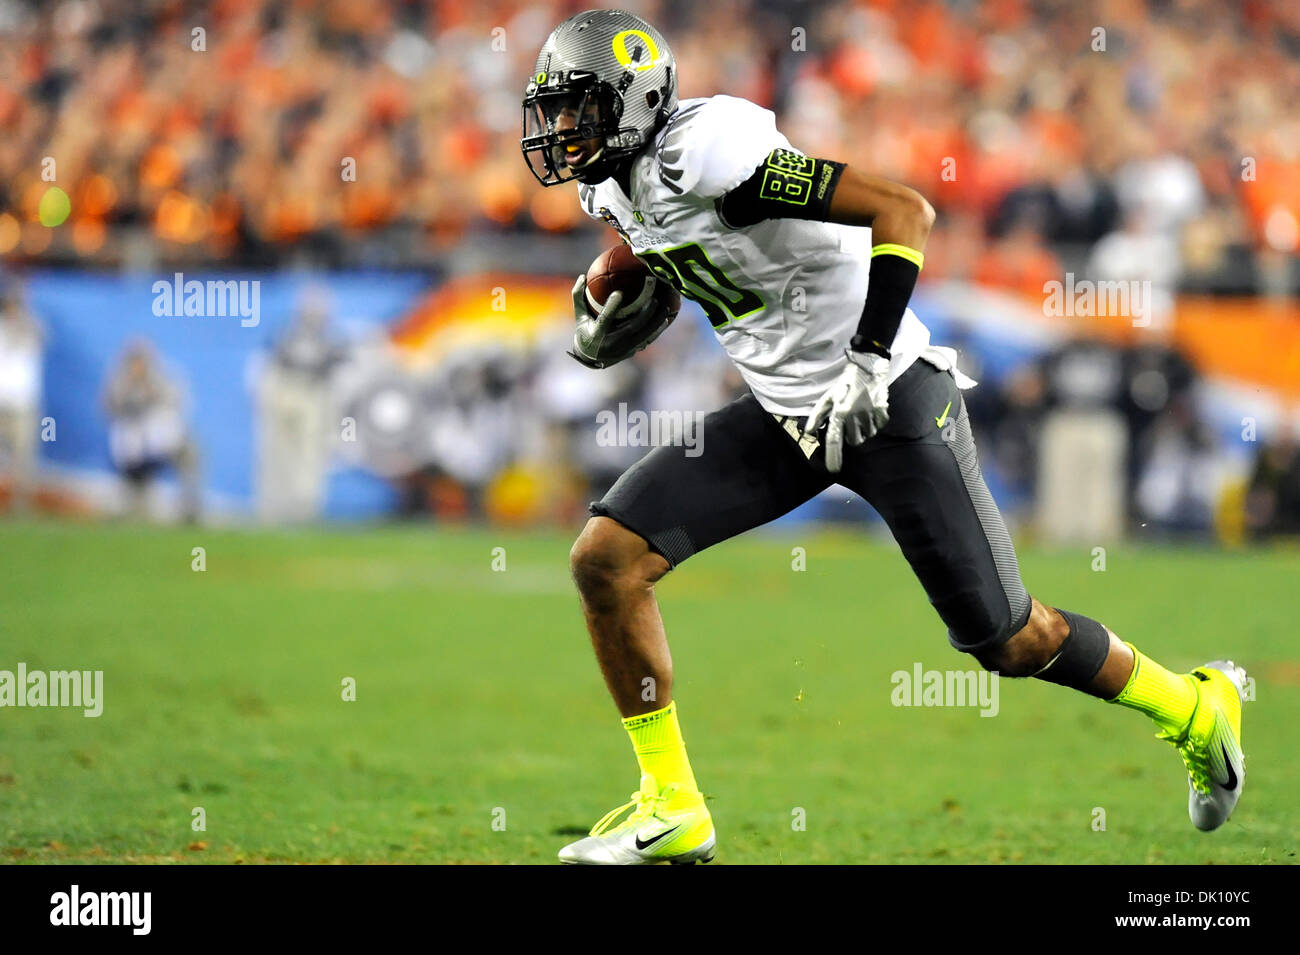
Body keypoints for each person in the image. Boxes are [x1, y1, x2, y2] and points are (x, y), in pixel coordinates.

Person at [521, 9, 1247, 865]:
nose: (565, 130)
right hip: (789, 415)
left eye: (582, 108)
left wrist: (867, 355)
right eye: (557, 111)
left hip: (888, 400)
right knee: (606, 559)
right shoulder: (614, 184)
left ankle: (1195, 706)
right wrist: (626, 308)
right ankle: (671, 805)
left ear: (638, 101)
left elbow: (904, 209)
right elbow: (682, 245)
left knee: (1010, 638)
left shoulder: (711, 151)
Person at [103, 341, 200, 522]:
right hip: (133, 445)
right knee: (135, 477)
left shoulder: (163, 379)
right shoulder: (119, 383)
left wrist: (153, 395)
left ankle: (189, 510)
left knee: (190, 454)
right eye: (134, 362)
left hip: (160, 440)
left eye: (142, 362)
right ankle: (134, 512)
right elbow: (110, 410)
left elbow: (176, 405)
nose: (138, 367)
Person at [0, 283, 43, 512]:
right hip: (1, 403)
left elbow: (41, 337)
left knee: (23, 460)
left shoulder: (31, 327)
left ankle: (20, 507)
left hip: (23, 405)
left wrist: (22, 318)